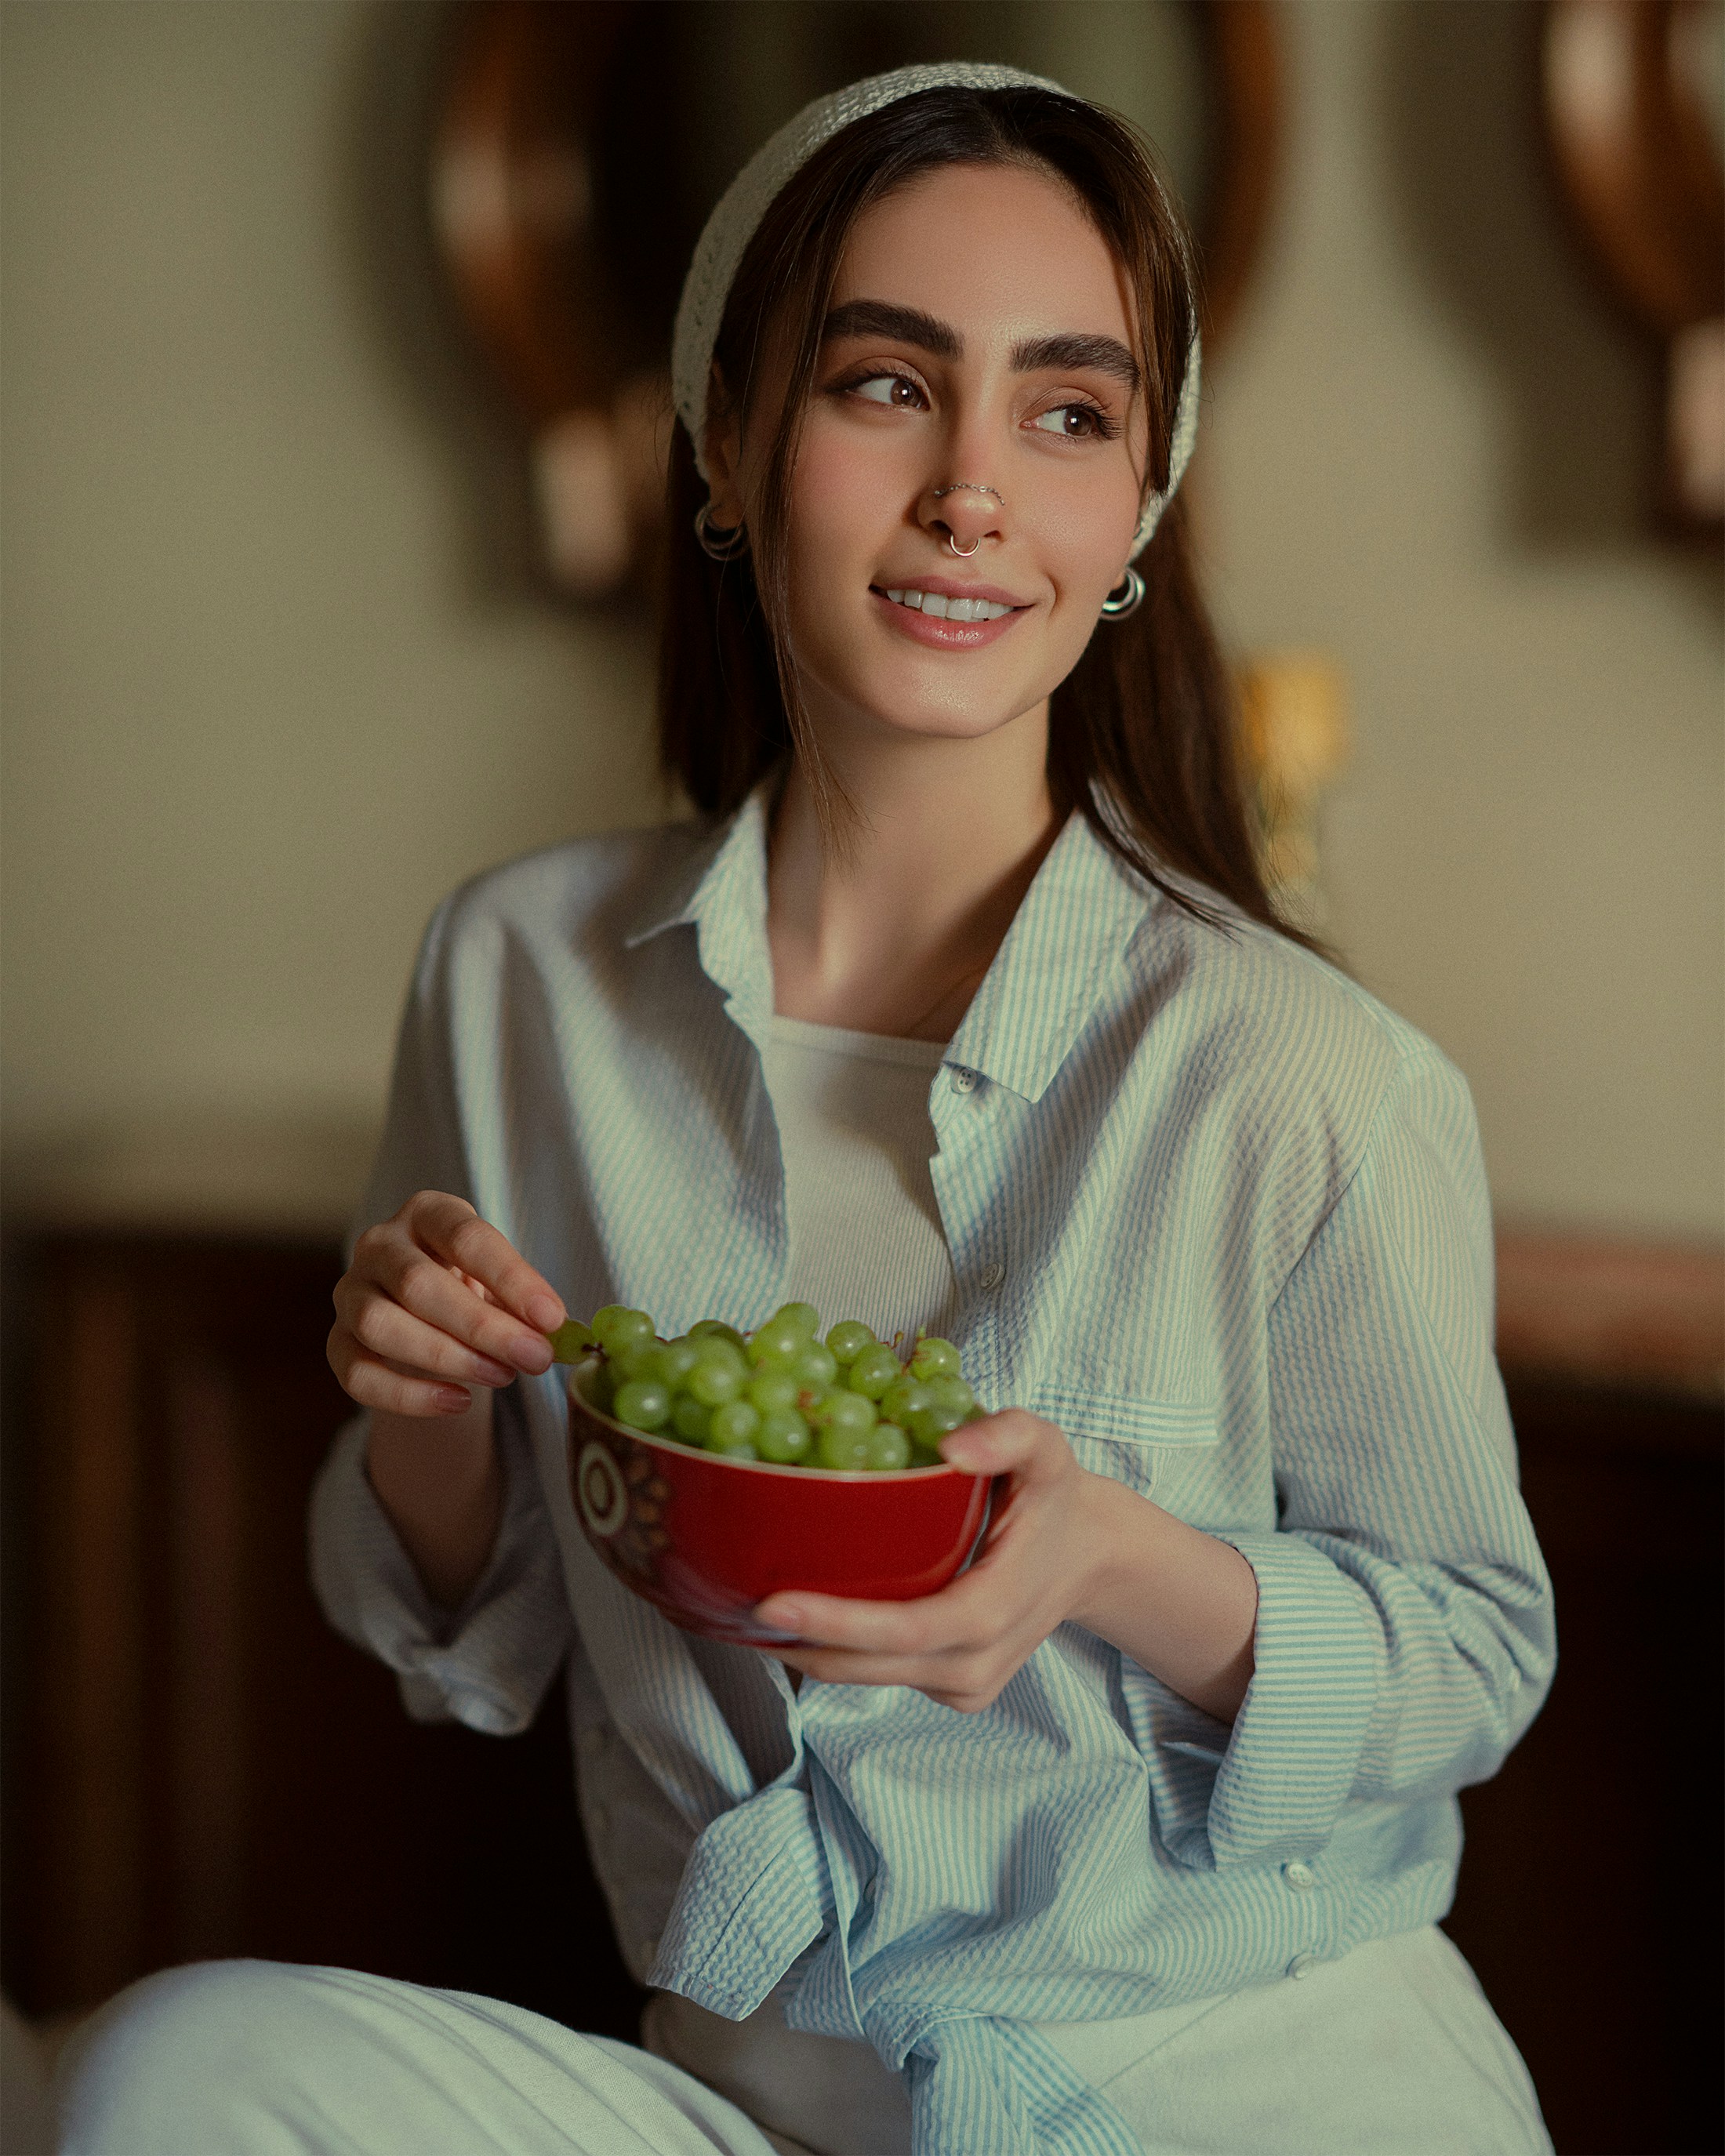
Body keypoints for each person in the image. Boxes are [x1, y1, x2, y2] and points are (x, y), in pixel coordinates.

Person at [55, 61, 1556, 2156]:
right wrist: (423, 1415)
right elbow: (464, 1646)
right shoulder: (518, 978)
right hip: (754, 2105)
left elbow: (1470, 1660)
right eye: (884, 384)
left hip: (1235, 2088)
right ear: (729, 446)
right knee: (171, 2076)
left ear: (1136, 512)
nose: (973, 491)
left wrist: (1113, 1564)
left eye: (1068, 412)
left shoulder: (1307, 1072)